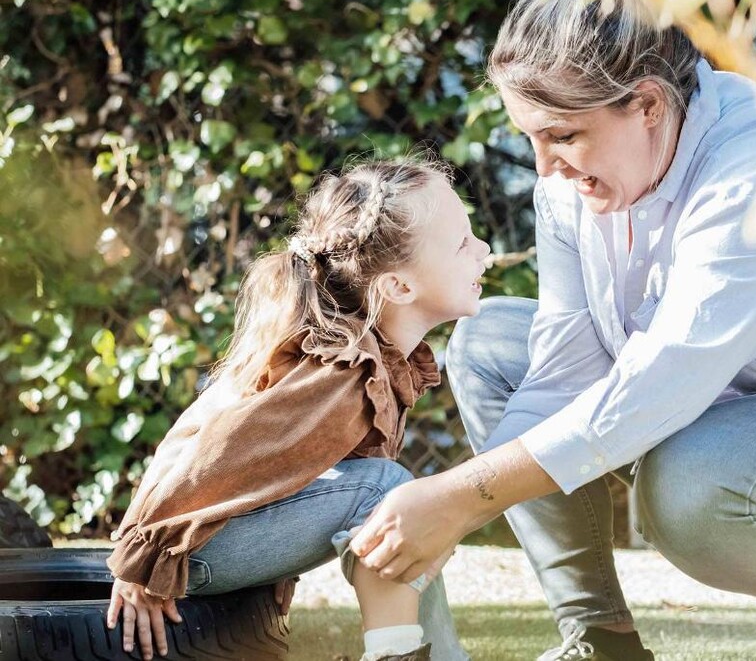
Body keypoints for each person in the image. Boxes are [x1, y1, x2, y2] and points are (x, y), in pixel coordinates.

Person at [346, 0, 756, 660]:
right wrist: (450, 516)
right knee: (493, 344)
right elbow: (563, 371)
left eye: (564, 136)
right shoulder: (577, 181)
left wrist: (458, 499)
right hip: (729, 420)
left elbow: (657, 389)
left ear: (648, 104)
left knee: (688, 481)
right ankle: (603, 641)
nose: (544, 167)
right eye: (532, 137)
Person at [105, 159, 490, 661]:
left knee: (405, 510)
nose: (483, 250)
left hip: (206, 545)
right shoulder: (339, 374)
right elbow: (209, 446)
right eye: (462, 243)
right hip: (187, 555)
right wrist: (142, 557)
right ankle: (394, 654)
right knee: (387, 491)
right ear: (398, 287)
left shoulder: (370, 361)